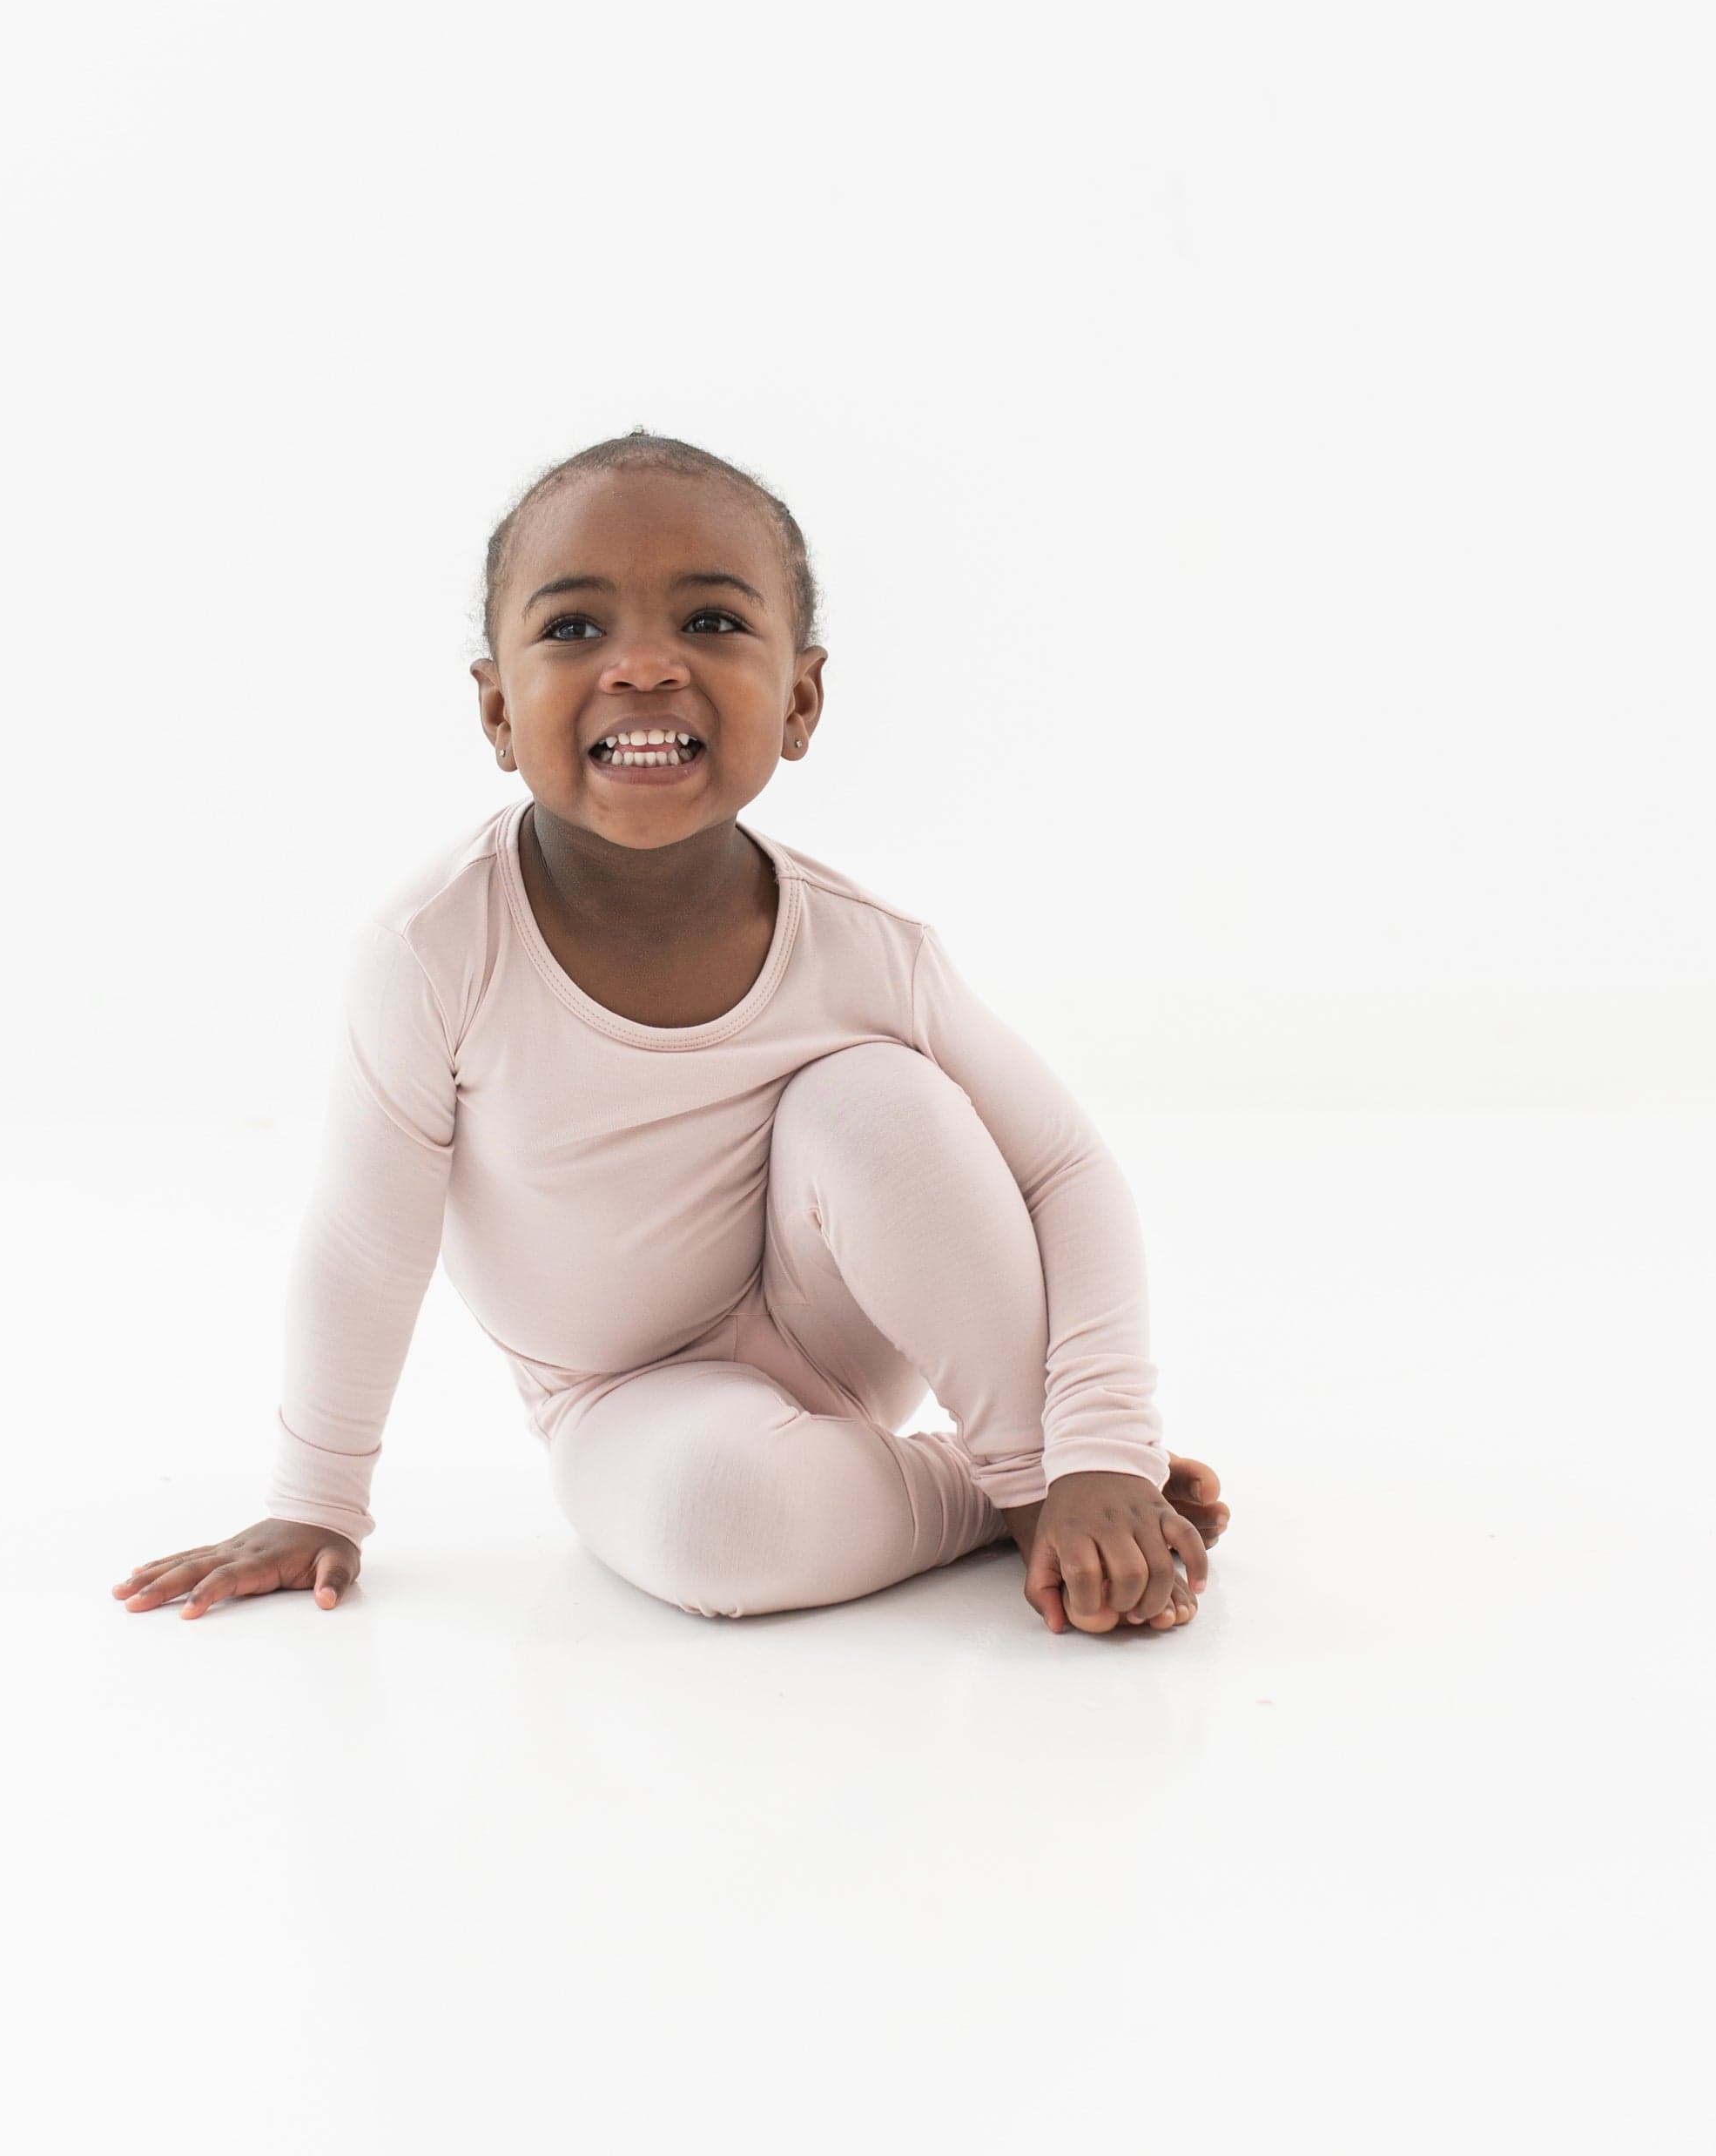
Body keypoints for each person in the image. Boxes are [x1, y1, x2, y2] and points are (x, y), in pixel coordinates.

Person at [115, 429, 1230, 1633]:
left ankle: (1036, 1468)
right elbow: (364, 1244)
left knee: (880, 1100)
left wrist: (1099, 1445)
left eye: (709, 622)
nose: (644, 666)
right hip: (621, 1399)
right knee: (715, 1522)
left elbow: (1063, 1171)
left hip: (845, 1320)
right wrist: (315, 1501)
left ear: (800, 699)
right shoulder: (433, 952)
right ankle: (987, 1495)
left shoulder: (869, 948)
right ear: (495, 709)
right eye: (574, 627)